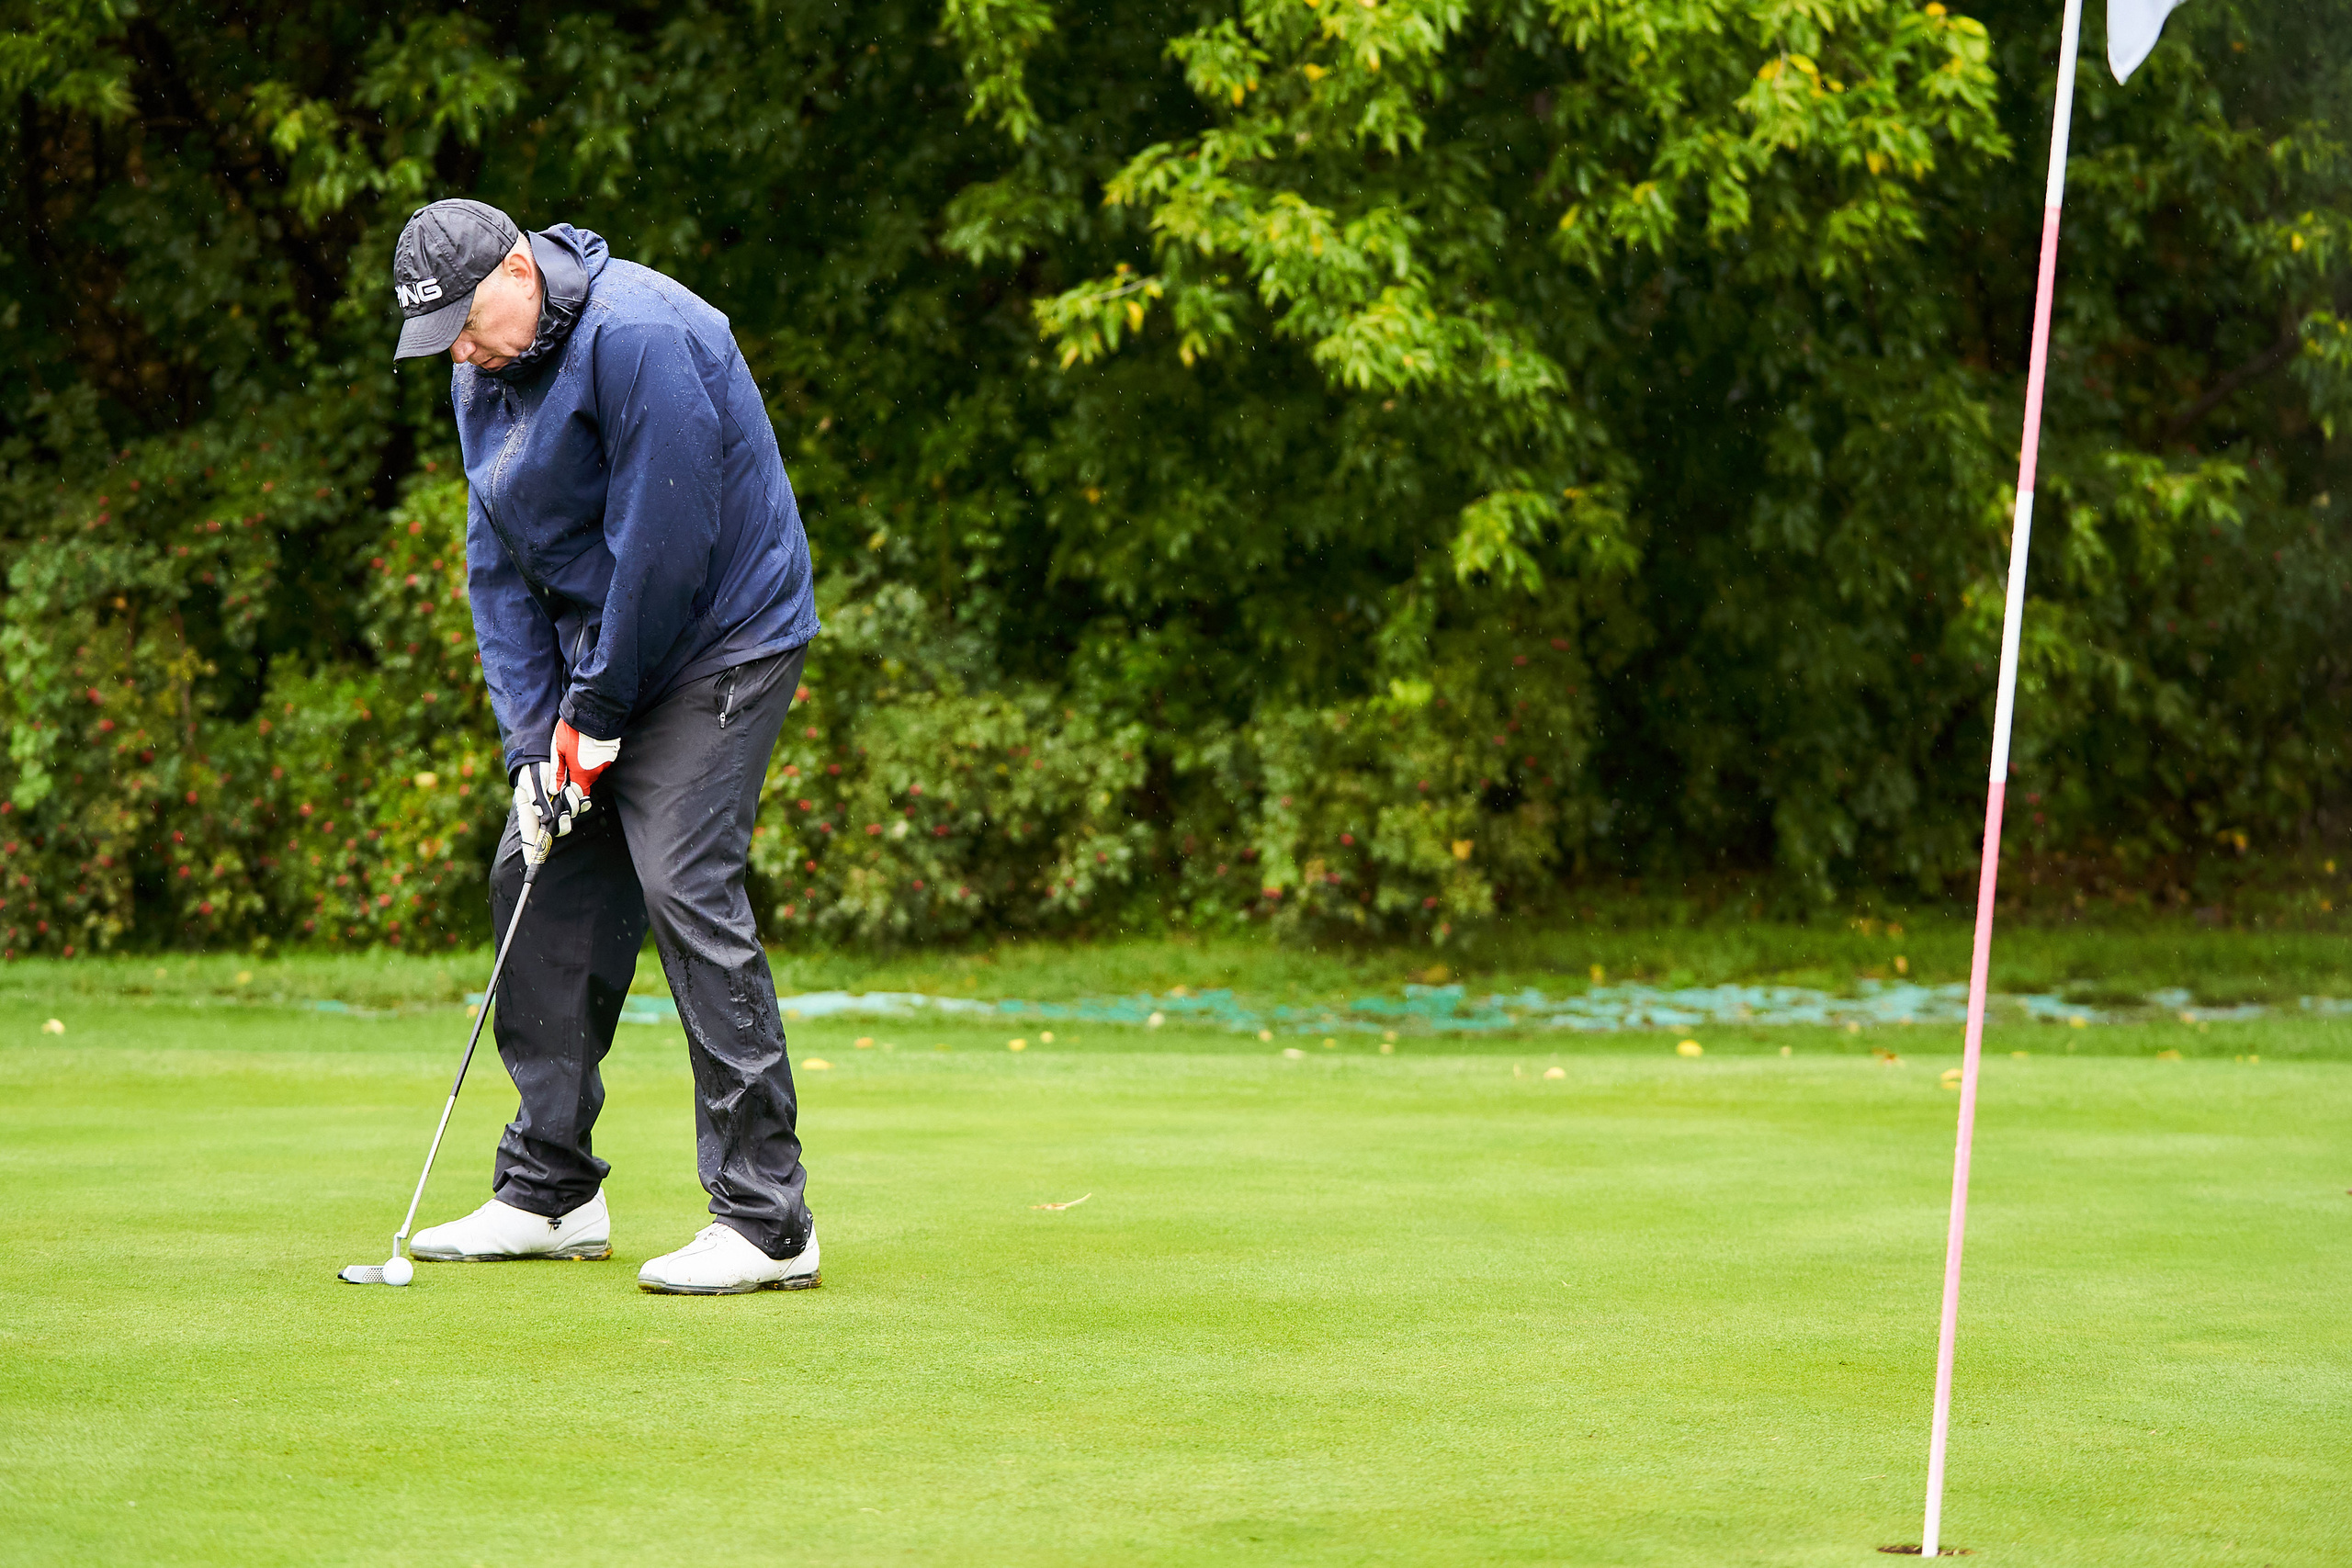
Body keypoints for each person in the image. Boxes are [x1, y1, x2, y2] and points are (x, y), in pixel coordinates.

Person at [387, 198, 822, 1294]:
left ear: (520, 271)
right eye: (445, 342)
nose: (466, 356)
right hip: (606, 659)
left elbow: (661, 553)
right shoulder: (480, 362)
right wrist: (537, 745)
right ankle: (552, 1190)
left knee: (683, 880)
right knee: (531, 877)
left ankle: (769, 1222)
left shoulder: (642, 337)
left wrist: (597, 716)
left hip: (723, 639)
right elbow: (498, 560)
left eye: (471, 325)